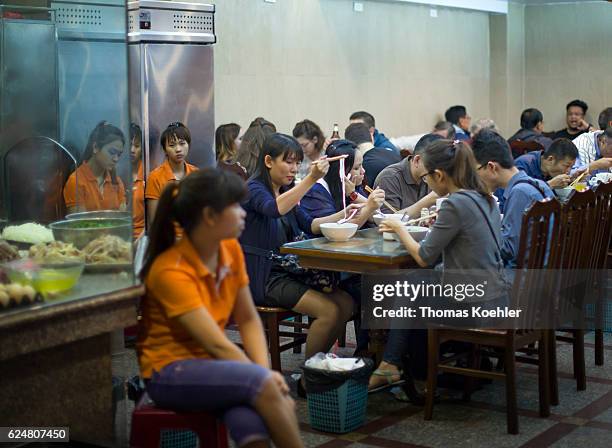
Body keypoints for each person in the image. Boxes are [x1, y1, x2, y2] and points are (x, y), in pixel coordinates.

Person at [138, 168, 303, 448]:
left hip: (212, 364)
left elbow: (249, 319)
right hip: (168, 373)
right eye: (235, 207)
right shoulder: (171, 270)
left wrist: (264, 372)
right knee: (266, 391)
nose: (243, 213)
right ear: (210, 216)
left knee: (252, 418)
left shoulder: (230, 250)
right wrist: (264, 379)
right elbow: (215, 344)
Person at [371, 139, 508, 392]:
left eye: (427, 178)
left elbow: (424, 256)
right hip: (497, 295)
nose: (427, 184)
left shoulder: (456, 203)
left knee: (407, 289)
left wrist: (400, 228)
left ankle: (398, 367)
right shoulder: (483, 197)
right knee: (416, 283)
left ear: (439, 175)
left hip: (475, 303)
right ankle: (406, 368)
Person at [239, 133, 356, 395]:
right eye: (288, 162)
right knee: (329, 310)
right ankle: (310, 378)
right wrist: (311, 179)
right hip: (264, 277)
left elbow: (312, 225)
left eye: (297, 163)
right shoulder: (253, 189)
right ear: (268, 161)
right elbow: (273, 209)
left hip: (287, 272)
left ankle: (319, 367)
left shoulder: (285, 193)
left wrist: (351, 213)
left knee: (346, 303)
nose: (294, 169)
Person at [472, 130, 553, 269]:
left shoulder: (519, 192)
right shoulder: (538, 184)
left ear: (491, 167)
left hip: (521, 281)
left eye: (476, 172)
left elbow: (508, 250)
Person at [300, 139, 385, 222]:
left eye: (361, 165)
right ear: (340, 171)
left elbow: (375, 217)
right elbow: (339, 229)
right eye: (356, 168)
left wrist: (354, 196)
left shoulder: (352, 186)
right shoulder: (316, 192)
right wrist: (367, 205)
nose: (363, 171)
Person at [63, 121, 126, 214]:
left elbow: (122, 220)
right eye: (112, 152)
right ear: (96, 147)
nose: (116, 159)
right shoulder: (76, 182)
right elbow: (80, 225)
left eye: (119, 154)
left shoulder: (116, 181)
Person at [373, 133, 441, 215]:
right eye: (434, 166)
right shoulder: (389, 178)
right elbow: (387, 221)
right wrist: (430, 199)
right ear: (417, 160)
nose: (438, 172)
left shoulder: (435, 174)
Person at [145, 122, 198, 226]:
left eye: (182, 143)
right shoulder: (155, 177)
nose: (178, 149)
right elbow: (154, 220)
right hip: (168, 237)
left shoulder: (196, 174)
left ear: (188, 145)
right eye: (172, 145)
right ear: (165, 150)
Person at [514, 138, 579, 188]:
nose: (568, 171)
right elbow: (517, 193)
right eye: (567, 166)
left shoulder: (551, 171)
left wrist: (572, 181)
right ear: (550, 159)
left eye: (571, 167)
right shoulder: (524, 164)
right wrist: (549, 184)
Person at [390, 120, 455, 153]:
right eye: (437, 136)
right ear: (434, 130)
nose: (437, 139)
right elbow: (395, 143)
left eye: (442, 139)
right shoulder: (422, 139)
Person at [130, 123, 145, 239]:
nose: (132, 150)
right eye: (129, 145)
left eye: (136, 146)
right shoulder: (114, 174)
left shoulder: (148, 175)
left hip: (142, 235)